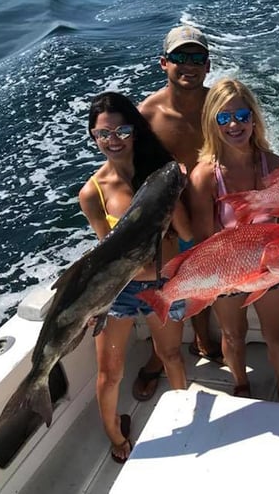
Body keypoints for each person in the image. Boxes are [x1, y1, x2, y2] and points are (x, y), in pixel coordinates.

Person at [78, 91, 191, 463]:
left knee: (171, 354)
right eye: (103, 134)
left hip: (164, 284)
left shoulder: (163, 172)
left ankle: (186, 425)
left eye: (122, 130)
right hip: (120, 291)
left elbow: (186, 233)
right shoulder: (92, 193)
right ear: (94, 138)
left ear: (136, 130)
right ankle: (115, 435)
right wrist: (94, 303)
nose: (113, 140)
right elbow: (104, 254)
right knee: (110, 372)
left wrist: (175, 198)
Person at [186, 78, 279, 404]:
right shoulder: (205, 176)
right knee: (232, 334)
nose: (234, 124)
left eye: (242, 115)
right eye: (224, 118)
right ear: (212, 123)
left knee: (276, 334)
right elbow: (204, 237)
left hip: (271, 270)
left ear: (254, 118)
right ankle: (240, 385)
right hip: (227, 272)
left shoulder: (276, 166)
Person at [133, 24, 223, 403]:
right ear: (163, 63)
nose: (188, 65)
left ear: (207, 64)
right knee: (168, 291)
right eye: (179, 58)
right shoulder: (146, 114)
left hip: (212, 210)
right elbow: (131, 173)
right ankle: (158, 358)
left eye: (196, 58)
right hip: (168, 224)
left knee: (204, 285)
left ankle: (204, 338)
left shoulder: (219, 105)